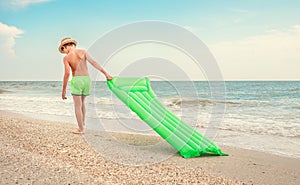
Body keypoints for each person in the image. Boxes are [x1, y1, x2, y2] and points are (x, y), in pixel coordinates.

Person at [58, 37, 113, 134]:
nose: (65, 53)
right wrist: (106, 74)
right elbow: (94, 63)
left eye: (64, 50)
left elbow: (67, 74)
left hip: (77, 80)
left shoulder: (66, 58)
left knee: (77, 106)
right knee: (82, 103)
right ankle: (82, 123)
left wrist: (63, 90)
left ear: (64, 47)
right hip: (87, 80)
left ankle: (81, 129)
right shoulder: (83, 52)